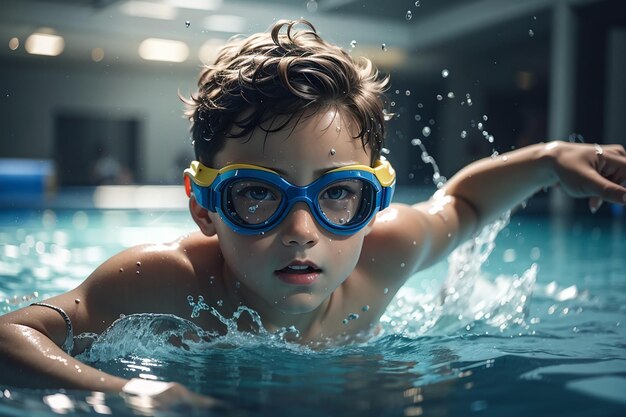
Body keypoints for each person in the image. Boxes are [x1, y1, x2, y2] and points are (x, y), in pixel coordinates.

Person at [1, 19, 625, 409]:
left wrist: (548, 159)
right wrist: (130, 391)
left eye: (336, 194)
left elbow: (460, 204)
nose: (302, 232)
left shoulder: (387, 250)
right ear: (203, 205)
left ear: (372, 199)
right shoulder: (163, 284)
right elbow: (11, 335)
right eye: (258, 194)